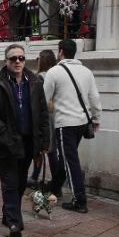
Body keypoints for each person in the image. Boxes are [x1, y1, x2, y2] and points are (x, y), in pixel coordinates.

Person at [0, 44, 49, 237]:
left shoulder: (35, 82)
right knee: (10, 183)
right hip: (6, 142)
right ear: (6, 61)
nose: (17, 61)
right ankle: (14, 223)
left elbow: (43, 113)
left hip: (28, 142)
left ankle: (7, 214)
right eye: (13, 59)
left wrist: (44, 142)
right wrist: (2, 131)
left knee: (19, 183)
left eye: (21, 58)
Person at [43, 39, 102, 213]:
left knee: (70, 161)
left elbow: (44, 100)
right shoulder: (86, 71)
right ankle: (54, 187)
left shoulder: (53, 72)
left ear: (60, 51)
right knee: (67, 158)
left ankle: (80, 200)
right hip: (82, 122)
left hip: (64, 123)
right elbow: (94, 98)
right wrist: (96, 118)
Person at [29, 50, 60, 189]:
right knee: (51, 149)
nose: (37, 61)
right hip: (55, 116)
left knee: (41, 148)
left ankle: (35, 177)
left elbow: (36, 100)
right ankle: (54, 181)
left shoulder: (40, 78)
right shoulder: (57, 75)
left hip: (43, 117)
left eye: (38, 59)